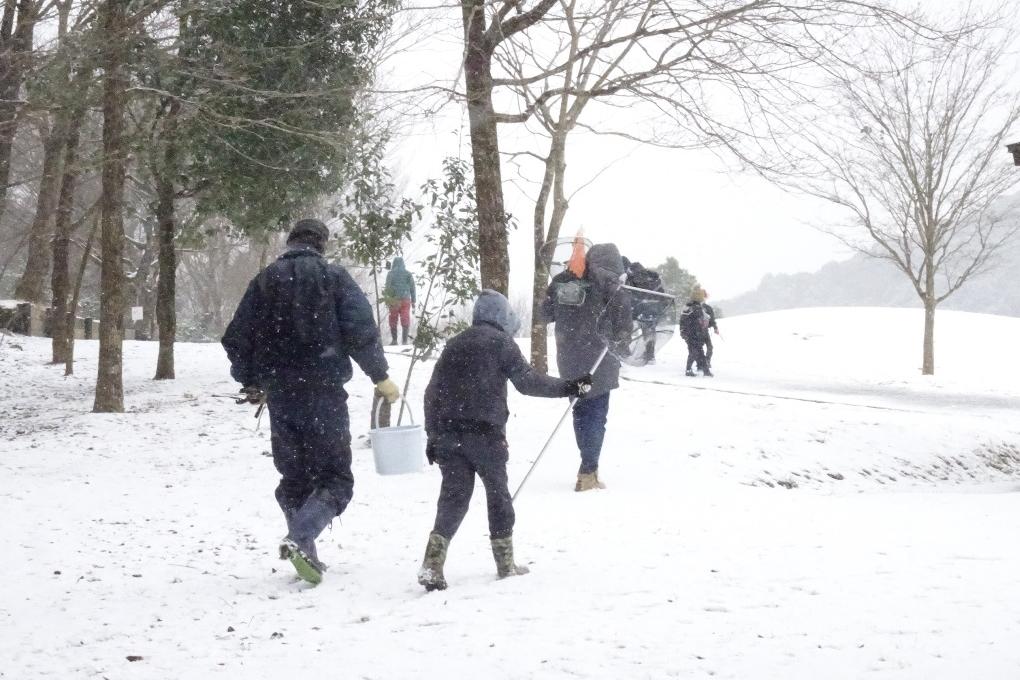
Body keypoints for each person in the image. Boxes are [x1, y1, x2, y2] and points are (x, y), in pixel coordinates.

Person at [221, 218, 401, 585]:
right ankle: (302, 537)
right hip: (324, 394)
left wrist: (252, 379)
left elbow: (237, 337)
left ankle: (305, 549)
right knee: (337, 480)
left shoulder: (265, 281)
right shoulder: (334, 279)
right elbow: (361, 331)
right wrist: (379, 376)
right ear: (322, 244)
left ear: (289, 243)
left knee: (294, 478)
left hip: (282, 397)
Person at [417, 290, 591, 591]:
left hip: (448, 434)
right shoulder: (501, 343)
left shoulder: (454, 345)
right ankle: (505, 563)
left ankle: (432, 564)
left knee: (453, 498)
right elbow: (528, 382)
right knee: (498, 497)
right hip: (485, 436)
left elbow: (431, 392)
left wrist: (433, 435)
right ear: (502, 316)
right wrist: (569, 387)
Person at [542, 243, 633, 492]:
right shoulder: (612, 285)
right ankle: (589, 470)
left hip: (569, 359)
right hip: (600, 361)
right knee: (596, 415)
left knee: (580, 411)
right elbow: (624, 326)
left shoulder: (562, 279)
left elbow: (545, 313)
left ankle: (587, 466)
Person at [622, 258, 666, 364]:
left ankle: (625, 352)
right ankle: (650, 355)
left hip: (639, 308)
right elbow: (662, 293)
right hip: (653, 309)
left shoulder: (631, 276)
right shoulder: (653, 277)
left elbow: (629, 293)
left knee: (625, 328)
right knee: (649, 332)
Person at [679, 287, 712, 377]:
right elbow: (699, 322)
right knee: (694, 353)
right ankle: (689, 370)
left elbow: (683, 321)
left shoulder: (688, 307)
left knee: (698, 352)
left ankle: (706, 371)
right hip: (694, 334)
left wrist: (683, 332)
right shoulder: (696, 308)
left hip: (690, 334)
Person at [384, 256, 416, 345]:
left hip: (394, 300)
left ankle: (394, 340)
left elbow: (388, 287)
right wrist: (413, 301)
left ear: (394, 263)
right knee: (405, 318)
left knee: (393, 319)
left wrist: (387, 299)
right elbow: (412, 288)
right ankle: (404, 341)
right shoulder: (408, 274)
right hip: (406, 299)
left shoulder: (390, 274)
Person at [702, 293, 720, 370]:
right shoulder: (694, 307)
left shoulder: (708, 308)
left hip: (705, 331)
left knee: (710, 347)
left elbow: (712, 319)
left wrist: (715, 328)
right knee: (697, 348)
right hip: (696, 332)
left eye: (704, 297)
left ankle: (707, 361)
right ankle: (700, 363)